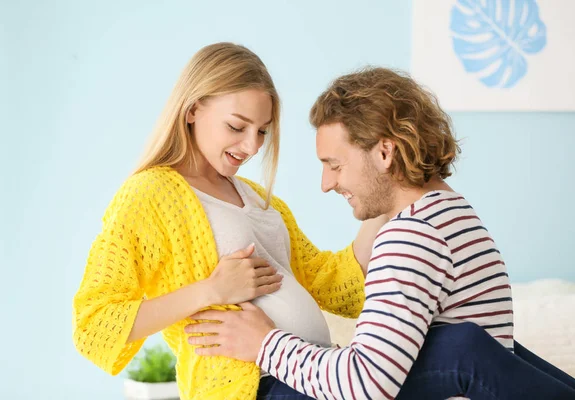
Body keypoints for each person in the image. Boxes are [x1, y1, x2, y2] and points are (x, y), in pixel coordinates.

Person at [187, 67, 575, 400]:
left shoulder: (412, 236)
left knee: (462, 349)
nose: (326, 184)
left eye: (335, 163)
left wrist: (264, 343)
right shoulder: (454, 212)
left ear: (384, 153)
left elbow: (367, 384)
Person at [72, 43, 388, 400]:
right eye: (237, 126)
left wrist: (386, 190)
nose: (252, 146)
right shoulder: (150, 194)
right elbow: (95, 326)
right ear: (192, 110)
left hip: (312, 372)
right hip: (259, 388)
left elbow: (328, 282)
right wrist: (212, 291)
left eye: (263, 131)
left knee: (450, 348)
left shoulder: (259, 198)